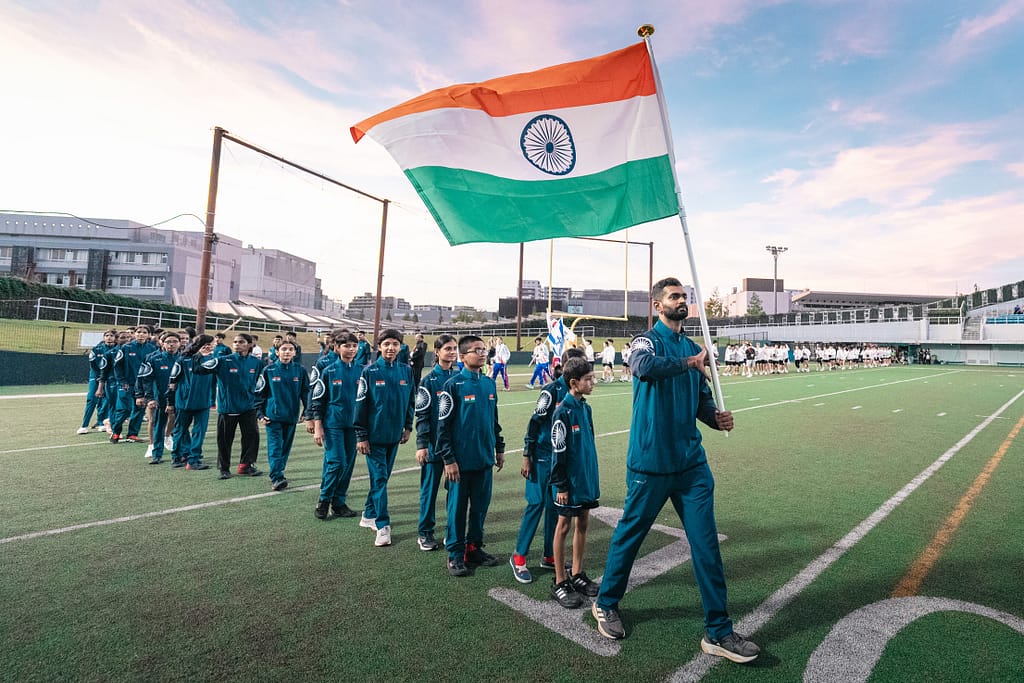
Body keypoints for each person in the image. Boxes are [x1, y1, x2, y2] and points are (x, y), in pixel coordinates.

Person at [591, 277, 760, 665]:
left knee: (706, 546)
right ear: (657, 305)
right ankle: (606, 601)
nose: (681, 300)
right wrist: (689, 362)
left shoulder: (692, 348)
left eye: (685, 296)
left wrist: (717, 420)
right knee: (630, 537)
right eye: (674, 296)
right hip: (651, 464)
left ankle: (718, 631)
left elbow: (700, 403)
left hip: (691, 466)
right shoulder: (645, 342)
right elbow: (645, 368)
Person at [511, 347, 586, 585]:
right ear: (565, 367)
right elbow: (534, 424)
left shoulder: (579, 397)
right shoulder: (551, 391)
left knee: (555, 508)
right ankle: (519, 556)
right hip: (541, 457)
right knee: (536, 504)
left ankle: (549, 555)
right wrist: (526, 454)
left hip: (560, 461)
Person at [435, 335, 505, 577]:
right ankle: (455, 554)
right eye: (476, 350)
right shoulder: (452, 386)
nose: (483, 353)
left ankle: (473, 548)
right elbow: (442, 428)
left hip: (484, 459)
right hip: (460, 462)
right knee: (457, 509)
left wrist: (499, 447)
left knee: (480, 508)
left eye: (484, 349)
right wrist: (448, 459)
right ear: (463, 357)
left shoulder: (488, 384)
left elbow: (493, 421)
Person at [355, 328, 416, 548]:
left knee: (382, 479)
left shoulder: (406, 371)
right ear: (379, 347)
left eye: (395, 344)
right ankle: (382, 526)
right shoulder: (369, 372)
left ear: (400, 347)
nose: (391, 348)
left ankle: (368, 514)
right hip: (373, 437)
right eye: (386, 344)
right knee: (380, 479)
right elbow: (360, 405)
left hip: (394, 436)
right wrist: (361, 435)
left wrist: (408, 426)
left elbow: (411, 400)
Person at [548, 357, 601, 608]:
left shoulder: (585, 408)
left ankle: (578, 574)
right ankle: (560, 581)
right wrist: (561, 485)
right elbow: (558, 451)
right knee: (563, 526)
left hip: (585, 479)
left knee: (583, 522)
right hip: (568, 482)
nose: (593, 383)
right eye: (588, 379)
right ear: (573, 383)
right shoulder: (562, 412)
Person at [309, 330, 363, 519]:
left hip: (353, 426)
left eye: (354, 346)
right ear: (337, 347)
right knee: (336, 462)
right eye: (347, 346)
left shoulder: (362, 370)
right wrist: (317, 426)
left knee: (347, 464)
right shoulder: (328, 371)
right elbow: (318, 400)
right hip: (333, 425)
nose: (351, 349)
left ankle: (339, 502)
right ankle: (324, 500)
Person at [194, 333, 263, 480]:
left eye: (241, 342)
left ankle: (245, 465)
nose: (237, 344)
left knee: (252, 437)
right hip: (228, 408)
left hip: (249, 407)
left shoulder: (256, 363)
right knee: (225, 440)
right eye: (235, 342)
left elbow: (259, 384)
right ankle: (224, 469)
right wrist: (200, 355)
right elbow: (198, 370)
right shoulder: (222, 361)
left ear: (250, 345)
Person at [413, 334, 459, 551]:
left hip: (455, 448)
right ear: (437, 353)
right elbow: (421, 414)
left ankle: (452, 532)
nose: (451, 352)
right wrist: (422, 444)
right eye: (447, 349)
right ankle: (425, 532)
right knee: (429, 491)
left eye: (454, 348)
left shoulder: (460, 377)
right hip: (433, 446)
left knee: (455, 492)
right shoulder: (428, 381)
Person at [255, 340, 309, 491]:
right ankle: (277, 477)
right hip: (273, 416)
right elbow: (260, 394)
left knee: (285, 447)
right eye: (283, 349)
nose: (287, 352)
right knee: (275, 447)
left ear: (294, 353)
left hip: (291, 416)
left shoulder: (300, 371)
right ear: (276, 352)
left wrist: (306, 411)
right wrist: (259, 413)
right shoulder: (268, 370)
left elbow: (306, 393)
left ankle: (279, 471)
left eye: (290, 349)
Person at [166, 335, 216, 470]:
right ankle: (178, 456)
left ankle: (192, 459)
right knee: (181, 430)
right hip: (184, 400)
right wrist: (170, 401)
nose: (214, 345)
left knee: (197, 432)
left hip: (202, 401)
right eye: (212, 343)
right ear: (205, 345)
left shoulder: (213, 360)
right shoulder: (183, 360)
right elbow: (172, 381)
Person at [136, 332, 181, 465]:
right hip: (161, 398)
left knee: (179, 426)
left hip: (180, 399)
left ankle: (179, 455)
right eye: (168, 342)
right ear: (162, 343)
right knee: (158, 424)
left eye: (174, 341)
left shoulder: (184, 359)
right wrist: (148, 398)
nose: (171, 344)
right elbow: (146, 380)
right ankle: (156, 454)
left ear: (179, 343)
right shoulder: (154, 359)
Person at [110, 325, 157, 444]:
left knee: (139, 409)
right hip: (127, 384)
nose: (141, 334)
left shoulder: (152, 349)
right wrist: (122, 381)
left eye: (144, 332)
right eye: (139, 332)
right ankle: (116, 432)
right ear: (134, 334)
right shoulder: (126, 347)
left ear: (148, 335)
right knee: (124, 409)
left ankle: (132, 434)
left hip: (143, 386)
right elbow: (117, 366)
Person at [79, 329, 117, 434]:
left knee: (106, 401)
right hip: (95, 377)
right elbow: (93, 365)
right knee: (91, 399)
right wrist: (100, 378)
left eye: (111, 335)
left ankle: (102, 423)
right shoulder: (97, 349)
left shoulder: (117, 349)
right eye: (107, 335)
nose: (109, 337)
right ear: (104, 337)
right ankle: (84, 425)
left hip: (110, 378)